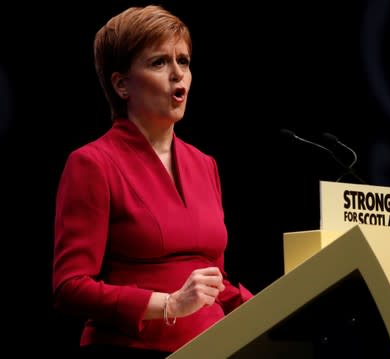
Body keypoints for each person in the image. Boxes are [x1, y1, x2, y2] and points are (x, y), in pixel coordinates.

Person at [52, 4, 253, 357]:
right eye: (159, 62)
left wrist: (277, 304)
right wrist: (169, 304)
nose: (178, 75)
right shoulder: (92, 164)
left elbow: (213, 282)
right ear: (121, 85)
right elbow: (70, 288)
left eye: (184, 61)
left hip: (216, 349)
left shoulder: (205, 164)